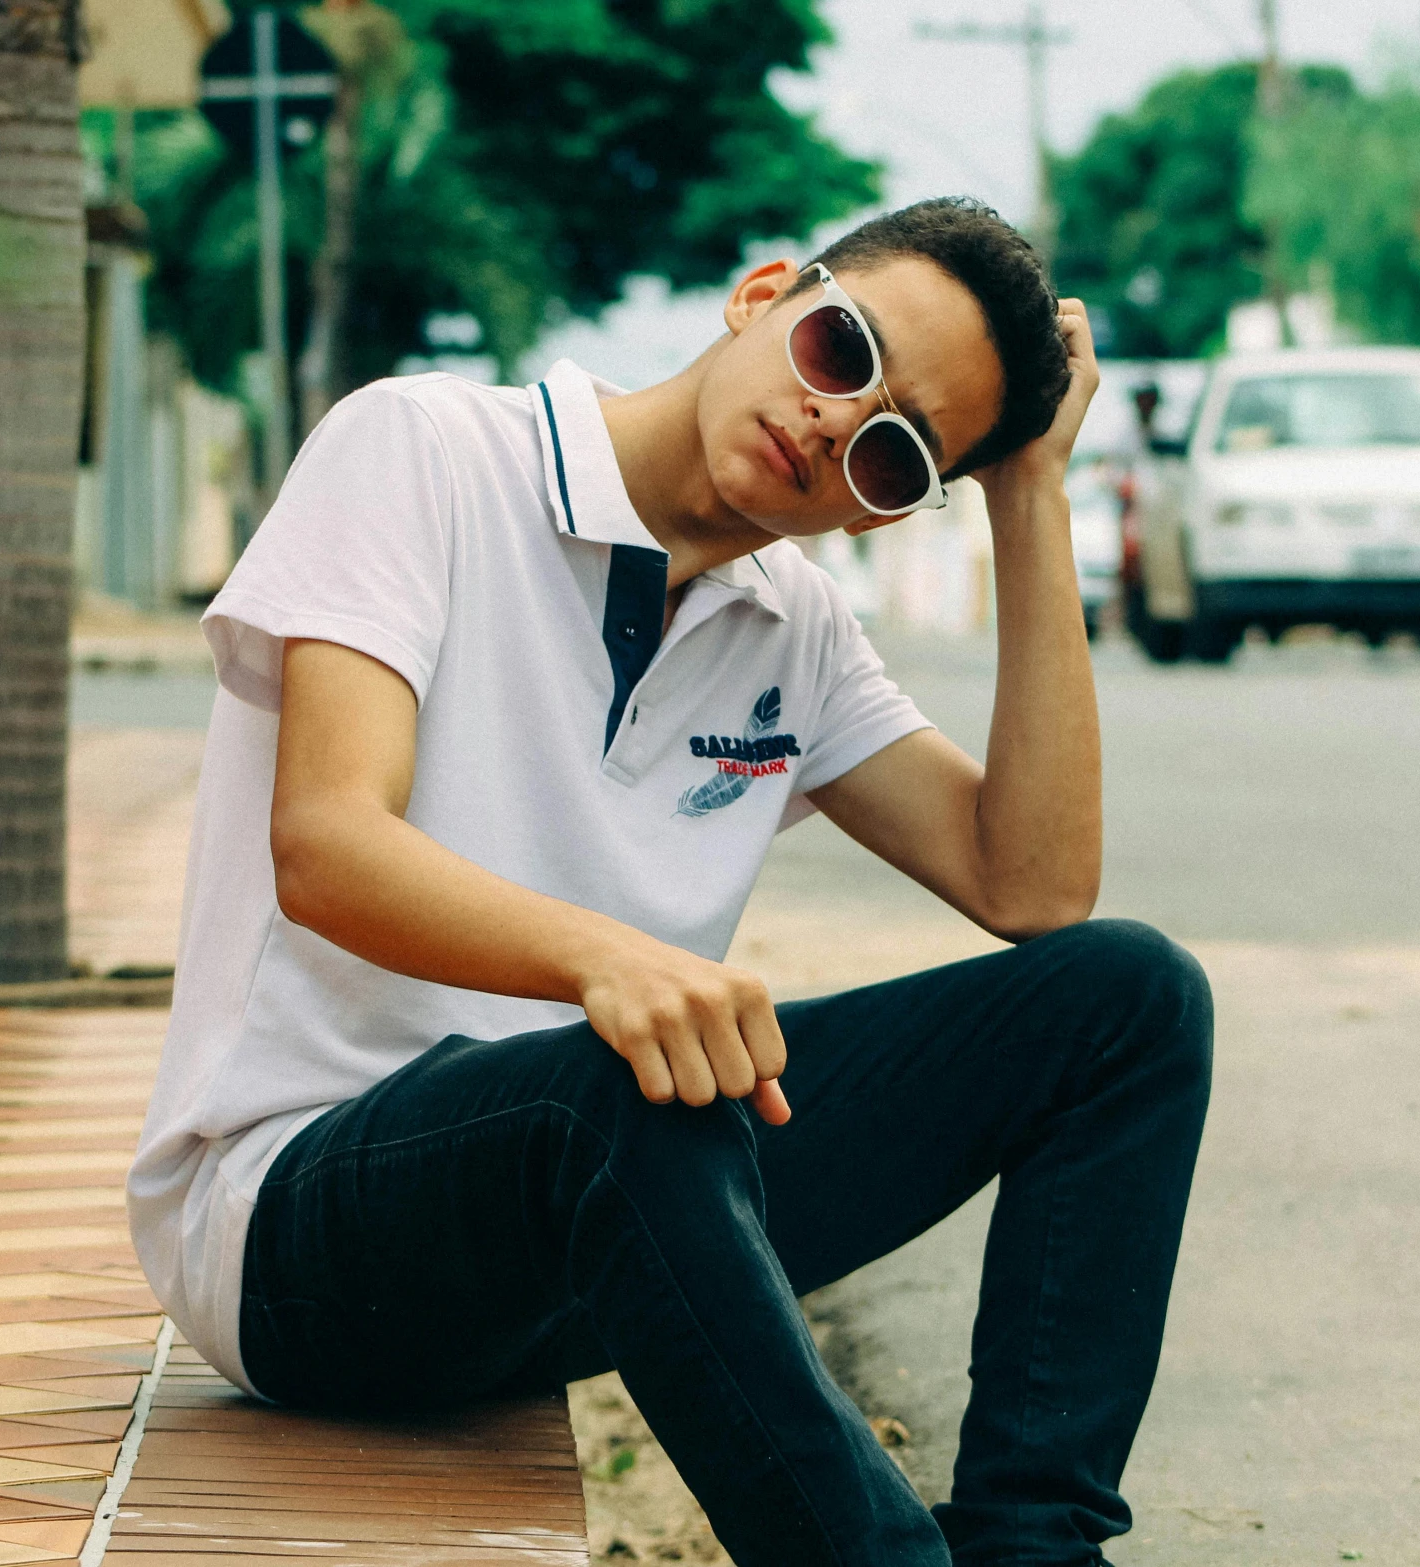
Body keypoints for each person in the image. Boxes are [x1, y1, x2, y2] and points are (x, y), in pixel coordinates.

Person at [128, 197, 1213, 1567]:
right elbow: (328, 844)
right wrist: (608, 960)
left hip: (596, 1214)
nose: (834, 426)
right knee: (615, 1087)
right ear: (763, 296)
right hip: (289, 1223)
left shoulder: (795, 629)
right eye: (840, 351)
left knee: (1128, 1001)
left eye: (893, 452)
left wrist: (1027, 489)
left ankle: (1035, 1546)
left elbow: (1033, 885)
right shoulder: (427, 451)